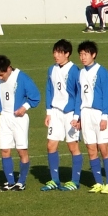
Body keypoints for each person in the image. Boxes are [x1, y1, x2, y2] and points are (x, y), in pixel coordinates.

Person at [0, 54, 40, 191]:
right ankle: (10, 181)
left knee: (21, 150)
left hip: (19, 119)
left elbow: (35, 97)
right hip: (4, 117)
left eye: (1, 75)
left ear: (8, 68)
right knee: (5, 149)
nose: (0, 78)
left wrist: (24, 108)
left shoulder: (21, 77)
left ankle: (21, 182)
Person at [41, 38, 82, 191]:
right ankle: (54, 180)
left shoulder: (74, 71)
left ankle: (75, 181)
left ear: (67, 54)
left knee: (72, 147)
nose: (56, 55)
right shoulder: (52, 69)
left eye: (59, 52)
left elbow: (79, 96)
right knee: (51, 145)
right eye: (55, 52)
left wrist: (77, 116)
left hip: (70, 114)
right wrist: (48, 112)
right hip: (55, 113)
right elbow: (49, 90)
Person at [76, 41, 108, 193]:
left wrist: (105, 116)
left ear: (93, 55)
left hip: (99, 114)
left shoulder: (102, 72)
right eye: (80, 54)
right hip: (85, 114)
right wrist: (77, 116)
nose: (82, 57)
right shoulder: (80, 73)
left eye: (85, 54)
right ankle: (98, 182)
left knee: (103, 147)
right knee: (91, 148)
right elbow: (79, 96)